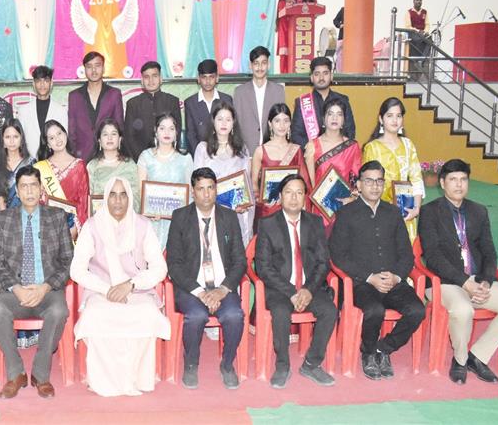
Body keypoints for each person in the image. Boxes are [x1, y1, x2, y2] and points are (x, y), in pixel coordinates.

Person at [70, 177, 170, 396]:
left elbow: (159, 268)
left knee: (146, 313)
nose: (117, 201)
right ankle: (104, 380)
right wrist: (107, 289)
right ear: (106, 198)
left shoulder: (142, 225)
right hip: (101, 291)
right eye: (113, 195)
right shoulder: (92, 226)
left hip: (137, 290)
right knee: (96, 314)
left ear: (130, 198)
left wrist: (131, 285)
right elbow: (76, 269)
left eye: (123, 195)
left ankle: (138, 379)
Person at [331, 161, 425, 380]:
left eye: (379, 181)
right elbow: (338, 255)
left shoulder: (393, 213)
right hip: (361, 283)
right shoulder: (346, 214)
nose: (374, 186)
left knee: (417, 310)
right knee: (374, 310)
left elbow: (406, 254)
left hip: (392, 281)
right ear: (359, 185)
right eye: (369, 181)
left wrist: (396, 277)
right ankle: (368, 353)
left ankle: (384, 348)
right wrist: (369, 277)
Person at [0, 165, 74, 399]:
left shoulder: (56, 217)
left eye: (33, 185)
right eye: (23, 186)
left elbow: (68, 260)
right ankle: (16, 373)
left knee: (59, 310)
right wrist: (17, 289)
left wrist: (45, 287)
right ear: (17, 190)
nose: (29, 191)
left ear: (41, 189)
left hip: (47, 291)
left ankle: (40, 374)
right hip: (15, 292)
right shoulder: (4, 219)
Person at [419, 159, 498, 385]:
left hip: (478, 280)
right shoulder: (429, 212)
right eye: (453, 180)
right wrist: (465, 282)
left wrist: (486, 282)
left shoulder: (479, 211)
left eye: (463, 179)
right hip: (445, 282)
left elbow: (489, 251)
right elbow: (433, 256)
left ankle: (478, 356)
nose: (459, 185)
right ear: (442, 183)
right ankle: (460, 360)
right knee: (463, 309)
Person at [166, 167, 246, 390]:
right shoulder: (180, 217)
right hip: (193, 288)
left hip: (222, 286)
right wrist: (200, 292)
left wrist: (223, 289)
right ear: (193, 191)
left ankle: (227, 365)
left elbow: (240, 261)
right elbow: (174, 263)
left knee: (234, 315)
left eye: (210, 188)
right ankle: (191, 364)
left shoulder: (229, 217)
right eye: (201, 189)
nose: (206, 194)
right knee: (196, 316)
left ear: (216, 189)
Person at [255, 174, 337, 389]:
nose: (294, 198)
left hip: (310, 287)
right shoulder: (267, 224)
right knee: (281, 312)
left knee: (330, 311)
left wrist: (308, 290)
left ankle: (311, 363)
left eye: (299, 193)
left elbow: (323, 262)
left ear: (305, 198)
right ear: (281, 196)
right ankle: (282, 365)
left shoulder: (315, 223)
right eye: (289, 192)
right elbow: (263, 267)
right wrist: (292, 292)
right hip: (280, 288)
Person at [362, 97, 424, 241]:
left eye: (399, 116)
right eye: (390, 116)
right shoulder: (372, 148)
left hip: (405, 211)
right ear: (381, 119)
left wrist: (416, 209)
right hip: (378, 211)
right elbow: (367, 184)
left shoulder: (408, 145)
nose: (395, 120)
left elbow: (416, 179)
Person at [193, 102, 255, 245]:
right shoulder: (202, 149)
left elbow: (247, 187)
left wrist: (244, 205)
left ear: (233, 123)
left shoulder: (242, 150)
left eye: (228, 119)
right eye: (220, 119)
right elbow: (197, 185)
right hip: (210, 213)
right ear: (213, 121)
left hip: (235, 214)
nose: (224, 123)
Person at [136, 113, 193, 248]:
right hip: (151, 223)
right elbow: (140, 191)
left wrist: (183, 217)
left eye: (171, 128)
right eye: (162, 128)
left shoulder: (185, 159)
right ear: (156, 132)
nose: (167, 132)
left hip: (178, 224)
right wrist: (148, 211)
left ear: (176, 133)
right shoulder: (145, 157)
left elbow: (190, 193)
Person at [304, 98, 362, 230]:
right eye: (330, 114)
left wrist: (353, 198)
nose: (335, 118)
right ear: (323, 119)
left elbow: (358, 180)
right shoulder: (312, 146)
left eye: (339, 114)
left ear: (344, 120)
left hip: (344, 208)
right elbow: (309, 184)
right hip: (319, 210)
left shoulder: (352, 146)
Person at [251, 103, 310, 223]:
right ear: (270, 124)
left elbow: (305, 183)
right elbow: (253, 184)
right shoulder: (260, 151)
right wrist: (261, 200)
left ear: (290, 124)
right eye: (277, 121)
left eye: (286, 121)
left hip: (291, 208)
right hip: (267, 210)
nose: (282, 125)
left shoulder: (296, 150)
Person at [34, 120, 90, 238]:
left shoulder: (79, 166)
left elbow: (83, 204)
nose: (57, 139)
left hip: (73, 230)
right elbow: (37, 202)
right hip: (47, 229)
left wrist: (74, 229)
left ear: (65, 134)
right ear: (48, 144)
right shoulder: (40, 168)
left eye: (59, 133)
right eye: (52, 138)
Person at [67, 52, 124, 160]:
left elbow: (119, 126)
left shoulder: (114, 94)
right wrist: (73, 157)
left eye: (97, 65)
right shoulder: (74, 96)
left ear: (103, 68)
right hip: (82, 156)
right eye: (89, 66)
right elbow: (72, 131)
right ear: (84, 69)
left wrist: (118, 154)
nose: (93, 70)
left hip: (108, 155)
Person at [290, 56, 356, 148]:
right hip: (310, 154)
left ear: (331, 76)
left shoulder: (343, 100)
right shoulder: (303, 102)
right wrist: (314, 150)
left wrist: (334, 151)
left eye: (325, 73)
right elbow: (296, 135)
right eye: (317, 74)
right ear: (311, 78)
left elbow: (350, 132)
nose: (321, 77)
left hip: (338, 154)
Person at [123, 61, 181, 161]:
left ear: (161, 79)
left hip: (168, 159)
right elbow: (129, 137)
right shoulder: (133, 104)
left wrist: (166, 157)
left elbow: (176, 132)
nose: (151, 80)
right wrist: (142, 160)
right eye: (146, 77)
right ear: (142, 81)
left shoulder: (172, 101)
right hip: (140, 159)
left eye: (155, 76)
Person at [233, 46, 286, 156]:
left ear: (269, 65)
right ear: (250, 66)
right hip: (246, 153)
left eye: (263, 63)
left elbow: (282, 122)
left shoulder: (279, 90)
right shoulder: (239, 92)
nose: (260, 67)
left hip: (273, 152)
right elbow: (236, 124)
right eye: (256, 63)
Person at [86, 118, 140, 212]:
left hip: (126, 216)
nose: (109, 138)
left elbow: (136, 198)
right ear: (99, 140)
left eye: (114, 134)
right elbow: (88, 198)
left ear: (120, 139)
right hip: (99, 217)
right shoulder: (92, 166)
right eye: (105, 134)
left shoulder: (130, 165)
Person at [15, 65, 67, 157]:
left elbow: (64, 139)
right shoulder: (23, 111)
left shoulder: (61, 110)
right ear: (33, 84)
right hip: (30, 162)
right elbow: (19, 140)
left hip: (54, 161)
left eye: (46, 81)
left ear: (51, 83)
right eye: (38, 81)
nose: (42, 85)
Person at [184, 59, 233, 155]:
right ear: (198, 79)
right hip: (200, 155)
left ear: (217, 78)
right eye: (204, 77)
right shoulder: (190, 103)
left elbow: (231, 130)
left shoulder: (227, 100)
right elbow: (191, 135)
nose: (208, 81)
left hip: (224, 154)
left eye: (211, 77)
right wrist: (200, 157)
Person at [0, 119, 36, 210]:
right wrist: (5, 215)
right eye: (7, 137)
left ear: (21, 139)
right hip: (4, 214)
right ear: (2, 140)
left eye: (15, 137)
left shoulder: (31, 163)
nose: (12, 141)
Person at [405, 0, 430, 80]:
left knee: (430, 41)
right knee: (418, 39)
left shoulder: (424, 12)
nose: (419, 2)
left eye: (420, 0)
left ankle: (422, 60)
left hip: (422, 34)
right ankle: (419, 61)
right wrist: (418, 31)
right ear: (414, 1)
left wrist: (426, 32)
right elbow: (408, 26)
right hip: (413, 33)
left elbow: (427, 24)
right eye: (417, 0)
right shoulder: (409, 12)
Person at [276, 0, 298, 74]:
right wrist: (289, 3)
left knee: (291, 53)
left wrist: (294, 3)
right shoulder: (282, 1)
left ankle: (290, 73)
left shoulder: (296, 2)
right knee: (284, 53)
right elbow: (282, 13)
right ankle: (283, 73)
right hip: (283, 29)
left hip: (292, 29)